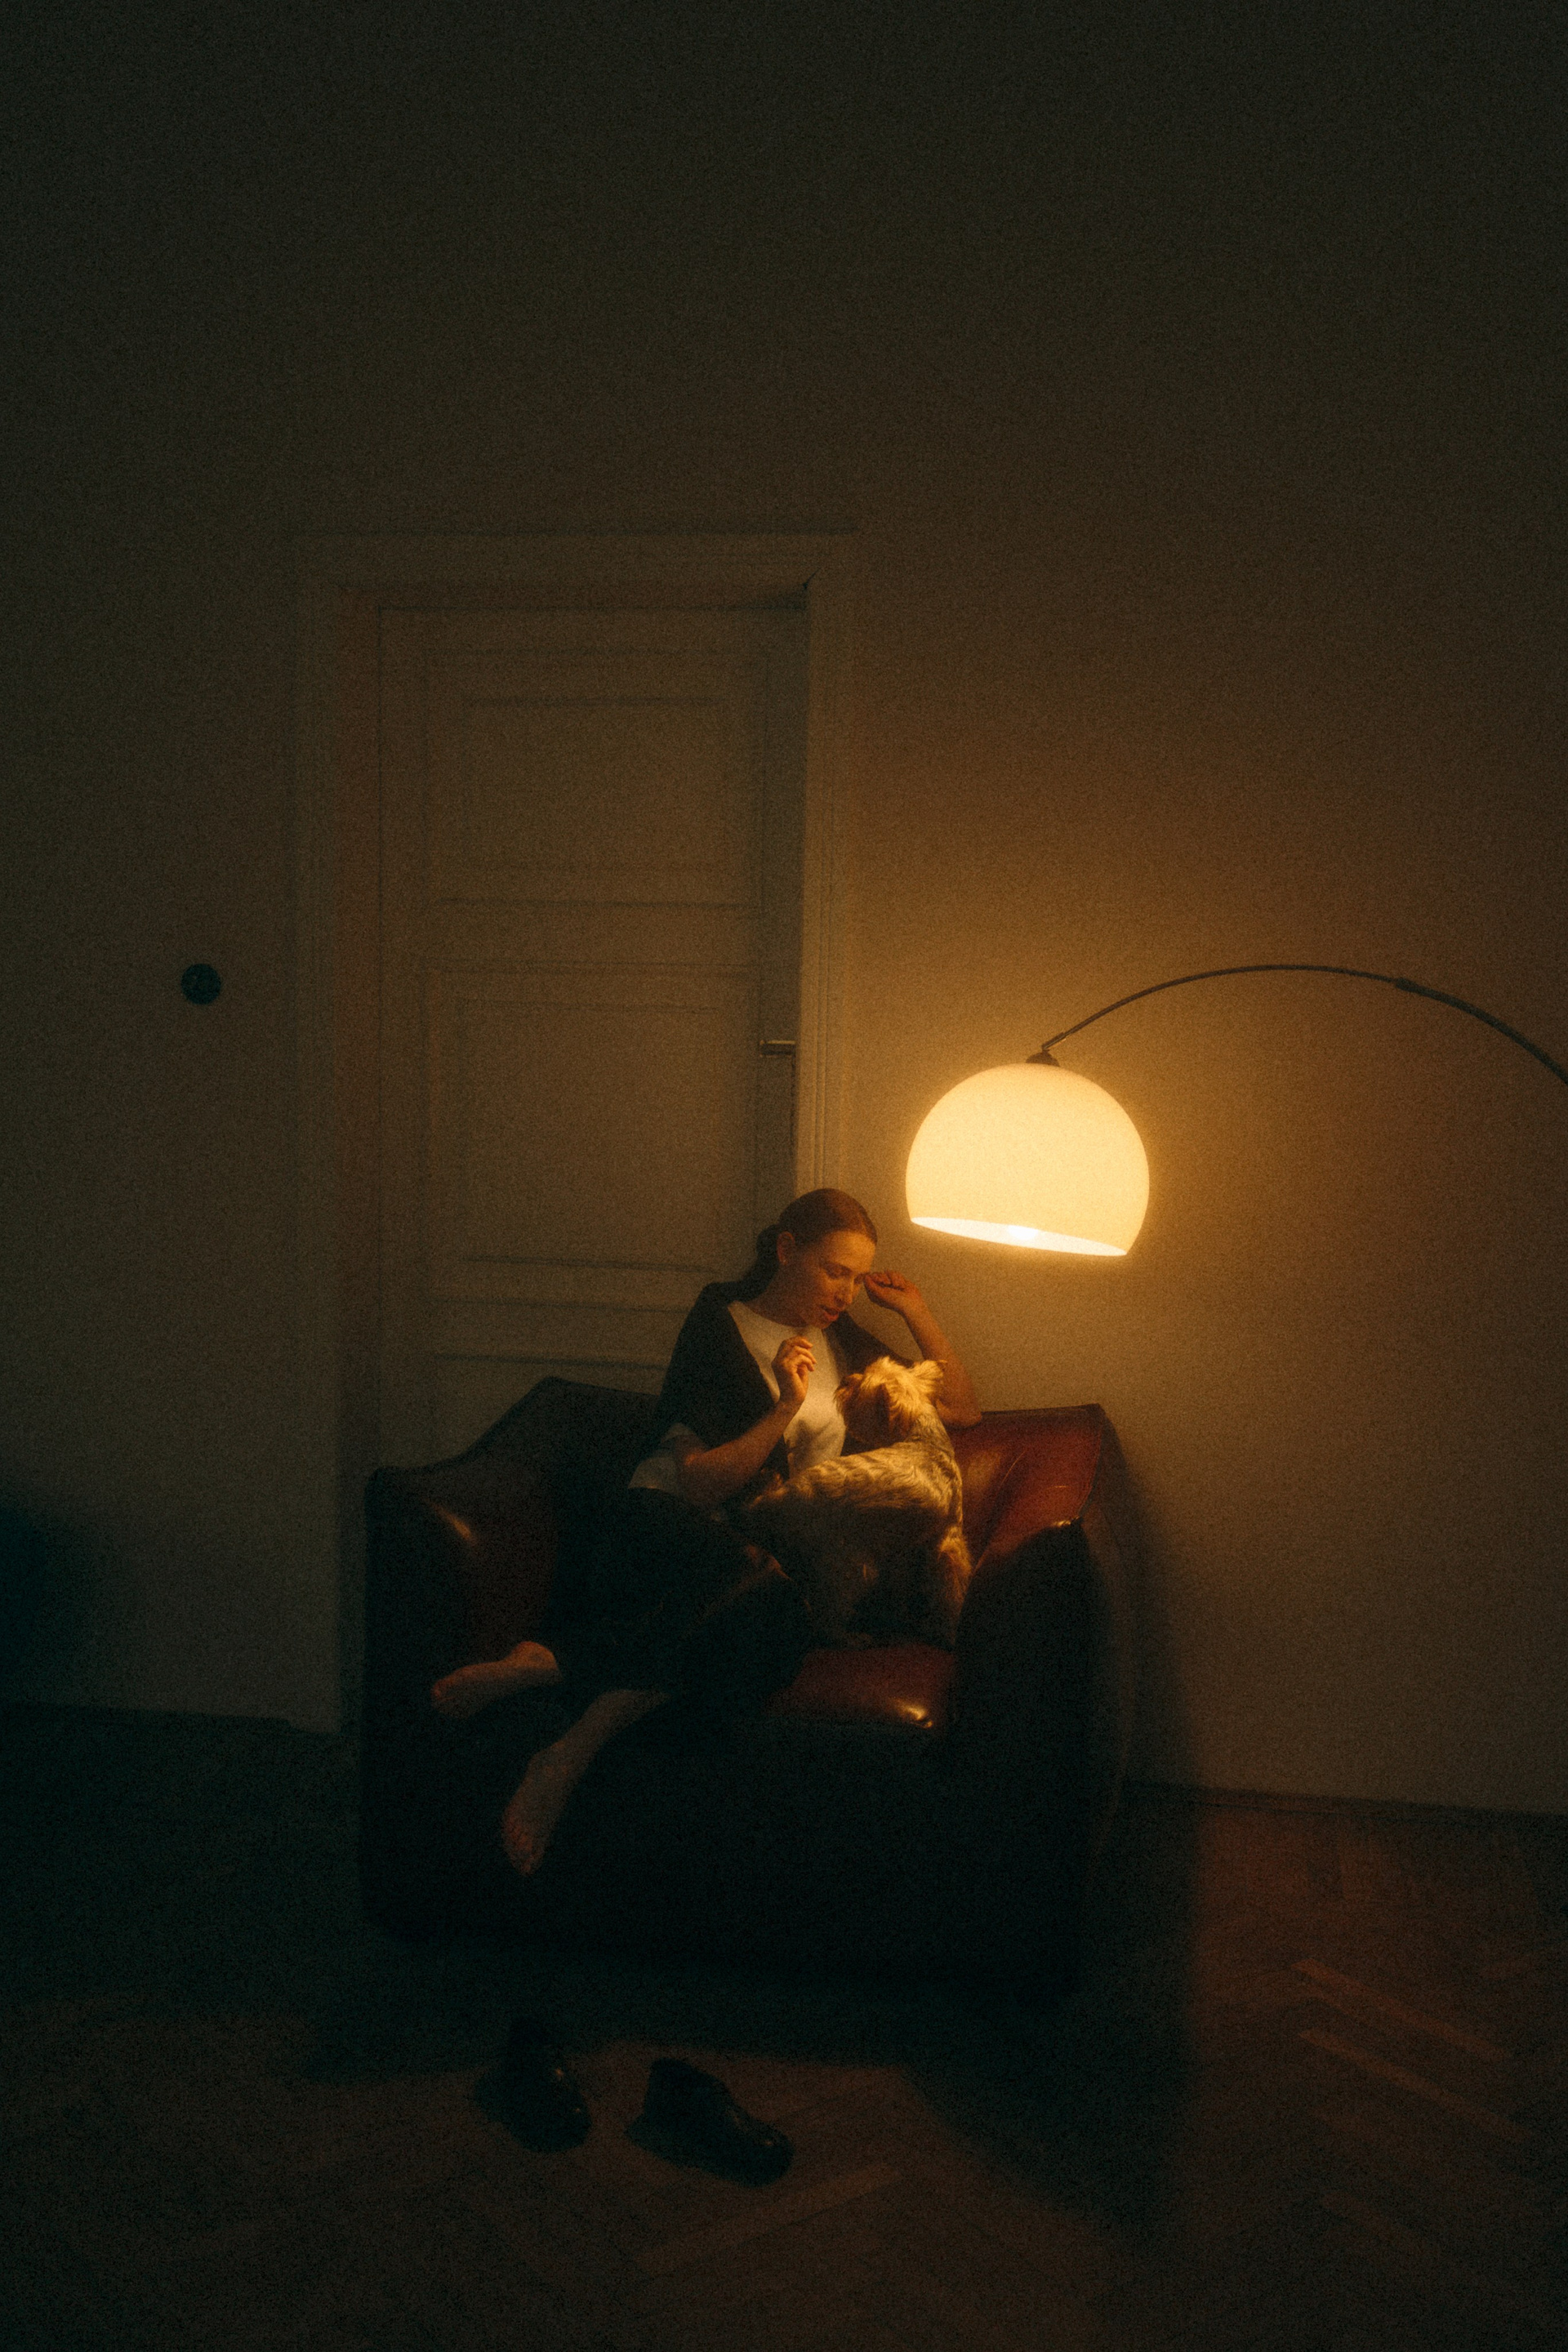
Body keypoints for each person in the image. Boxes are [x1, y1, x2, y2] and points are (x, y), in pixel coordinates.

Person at [430, 1186, 981, 1878]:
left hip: (758, 1549)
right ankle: (568, 1755)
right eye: (833, 1271)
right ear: (786, 1250)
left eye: (857, 1277)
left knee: (774, 1622)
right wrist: (784, 1407)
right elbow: (698, 1485)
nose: (845, 1293)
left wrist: (915, 1310)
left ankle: (550, 1664)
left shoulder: (840, 1339)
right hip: (669, 1522)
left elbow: (963, 1409)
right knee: (768, 1605)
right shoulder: (721, 1324)